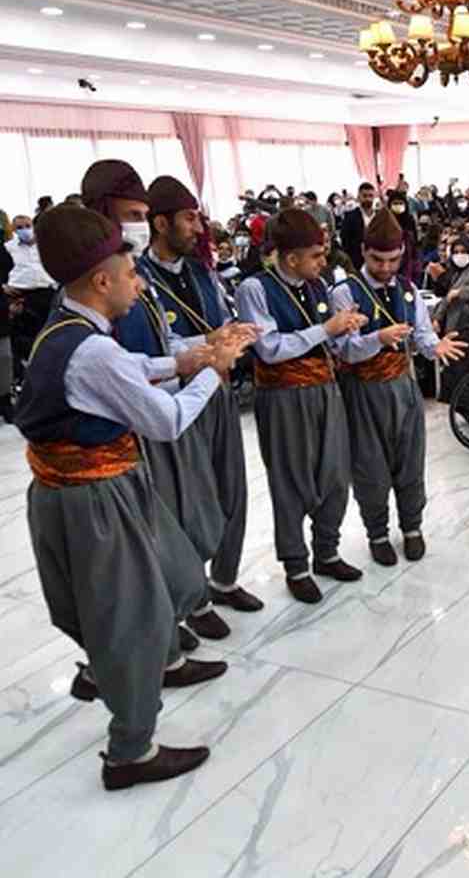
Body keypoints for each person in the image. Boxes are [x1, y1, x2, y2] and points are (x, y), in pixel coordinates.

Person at [17, 204, 235, 789]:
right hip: (97, 501)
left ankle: (155, 661)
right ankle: (129, 752)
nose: (140, 284)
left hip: (103, 487)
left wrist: (183, 358)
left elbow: (127, 368)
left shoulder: (68, 325)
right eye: (132, 273)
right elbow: (164, 422)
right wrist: (214, 369)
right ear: (103, 280)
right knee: (129, 615)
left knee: (177, 575)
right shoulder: (91, 350)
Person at [137, 177, 266, 627]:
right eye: (189, 218)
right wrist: (209, 340)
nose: (198, 226)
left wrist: (236, 332)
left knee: (233, 487)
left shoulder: (201, 270)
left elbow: (221, 317)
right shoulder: (139, 280)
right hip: (179, 398)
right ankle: (195, 600)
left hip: (219, 389)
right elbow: (160, 346)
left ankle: (225, 579)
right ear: (160, 223)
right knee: (190, 500)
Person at [237, 208, 368, 603]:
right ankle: (296, 563)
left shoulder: (318, 286)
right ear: (290, 257)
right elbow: (271, 348)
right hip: (282, 397)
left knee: (334, 474)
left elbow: (331, 343)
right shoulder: (255, 289)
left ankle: (326, 551)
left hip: (326, 390)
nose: (323, 263)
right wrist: (325, 329)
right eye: (315, 255)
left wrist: (354, 332)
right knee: (291, 480)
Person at [330, 209, 466, 567]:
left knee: (411, 460)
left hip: (404, 387)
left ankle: (412, 528)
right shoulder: (345, 293)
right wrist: (378, 338)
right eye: (378, 259)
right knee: (369, 466)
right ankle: (377, 532)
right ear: (363, 251)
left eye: (393, 259)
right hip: (363, 389)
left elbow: (420, 334)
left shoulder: (408, 290)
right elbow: (343, 349)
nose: (386, 267)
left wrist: (433, 346)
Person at [5, 212, 56, 390]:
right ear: (13, 230)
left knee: (48, 337)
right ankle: (25, 379)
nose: (24, 230)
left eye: (27, 226)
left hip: (46, 295)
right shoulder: (8, 248)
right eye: (19, 228)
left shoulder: (46, 246)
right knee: (22, 341)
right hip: (19, 296)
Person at [339, 181, 380, 262]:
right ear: (358, 197)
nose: (368, 199)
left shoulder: (380, 216)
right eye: (364, 196)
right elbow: (345, 240)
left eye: (371, 196)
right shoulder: (349, 216)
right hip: (357, 260)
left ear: (374, 197)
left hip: (378, 259)